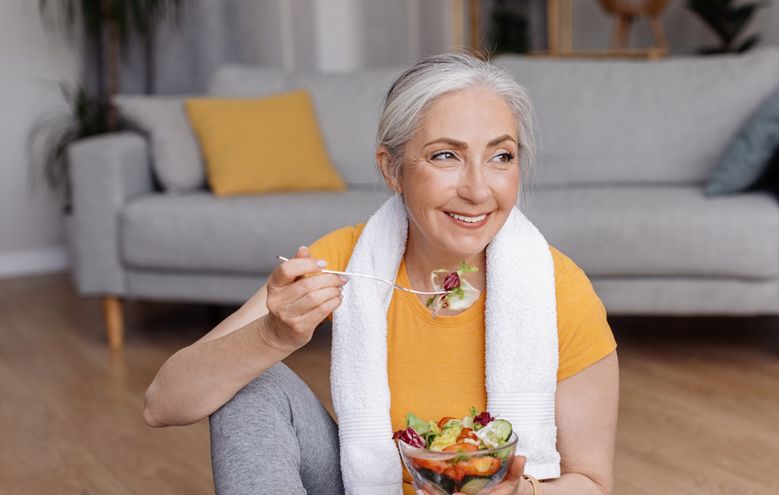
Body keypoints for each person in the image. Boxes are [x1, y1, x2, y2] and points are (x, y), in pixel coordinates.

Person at [143, 52, 618, 495]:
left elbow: (592, 482)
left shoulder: (558, 288)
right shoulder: (347, 259)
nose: (477, 189)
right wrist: (272, 335)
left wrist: (521, 493)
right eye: (445, 156)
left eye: (501, 156)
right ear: (392, 170)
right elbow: (162, 404)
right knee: (250, 380)